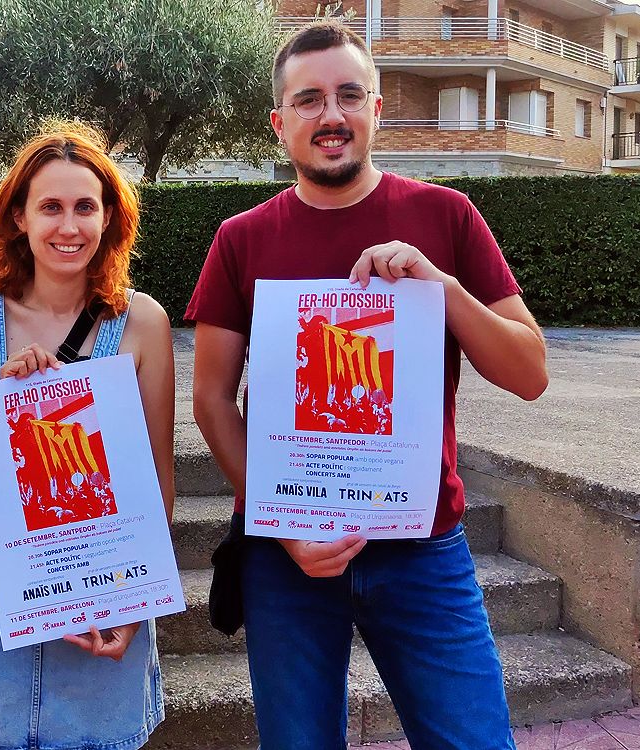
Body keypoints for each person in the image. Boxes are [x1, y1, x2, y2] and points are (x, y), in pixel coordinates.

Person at [186, 21, 548, 750]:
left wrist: (440, 286)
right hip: (288, 553)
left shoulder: (446, 216)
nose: (331, 115)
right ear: (279, 122)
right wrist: (281, 526)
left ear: (376, 110)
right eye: (310, 98)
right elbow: (211, 399)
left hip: (423, 546)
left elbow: (529, 372)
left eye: (350, 95)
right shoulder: (241, 238)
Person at [0, 123, 175, 750]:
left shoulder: (142, 322)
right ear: (19, 218)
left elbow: (157, 486)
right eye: (50, 207)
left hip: (102, 566)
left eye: (85, 206)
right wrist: (2, 411)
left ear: (110, 216)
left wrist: (134, 602)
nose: (69, 226)